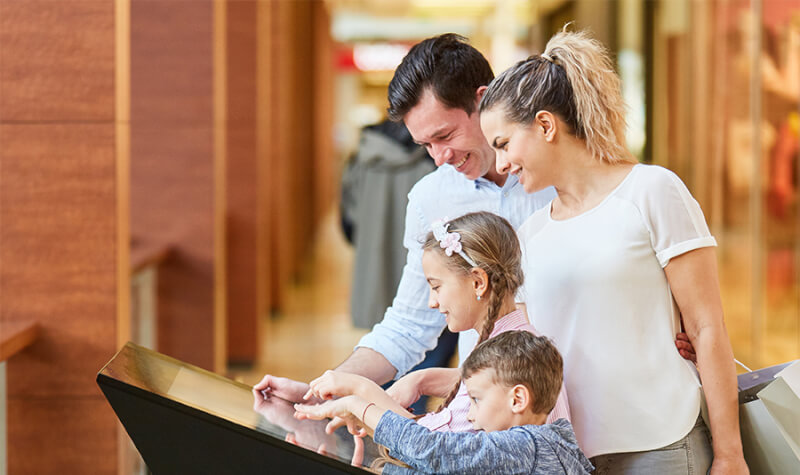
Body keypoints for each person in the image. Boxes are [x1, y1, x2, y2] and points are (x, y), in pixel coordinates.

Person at [478, 28, 748, 473]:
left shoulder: (652, 191)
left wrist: (729, 454)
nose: (502, 166)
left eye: (504, 144)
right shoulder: (529, 234)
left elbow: (707, 328)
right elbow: (524, 359)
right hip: (568, 457)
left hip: (662, 446)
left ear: (545, 125)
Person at [255, 33, 556, 403]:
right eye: (426, 145)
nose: (439, 157)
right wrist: (321, 391)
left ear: (484, 101)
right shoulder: (432, 197)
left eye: (445, 135)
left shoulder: (561, 177)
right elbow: (408, 326)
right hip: (496, 420)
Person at [297, 211, 570, 434]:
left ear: (478, 282)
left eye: (436, 287)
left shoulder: (507, 360)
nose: (432, 302)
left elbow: (431, 444)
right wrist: (420, 380)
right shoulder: (510, 346)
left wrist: (361, 391)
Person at [295, 331, 593, 475]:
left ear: (517, 399)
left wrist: (359, 404)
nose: (471, 416)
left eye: (476, 400)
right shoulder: (542, 445)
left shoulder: (527, 446)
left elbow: (433, 450)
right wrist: (380, 470)